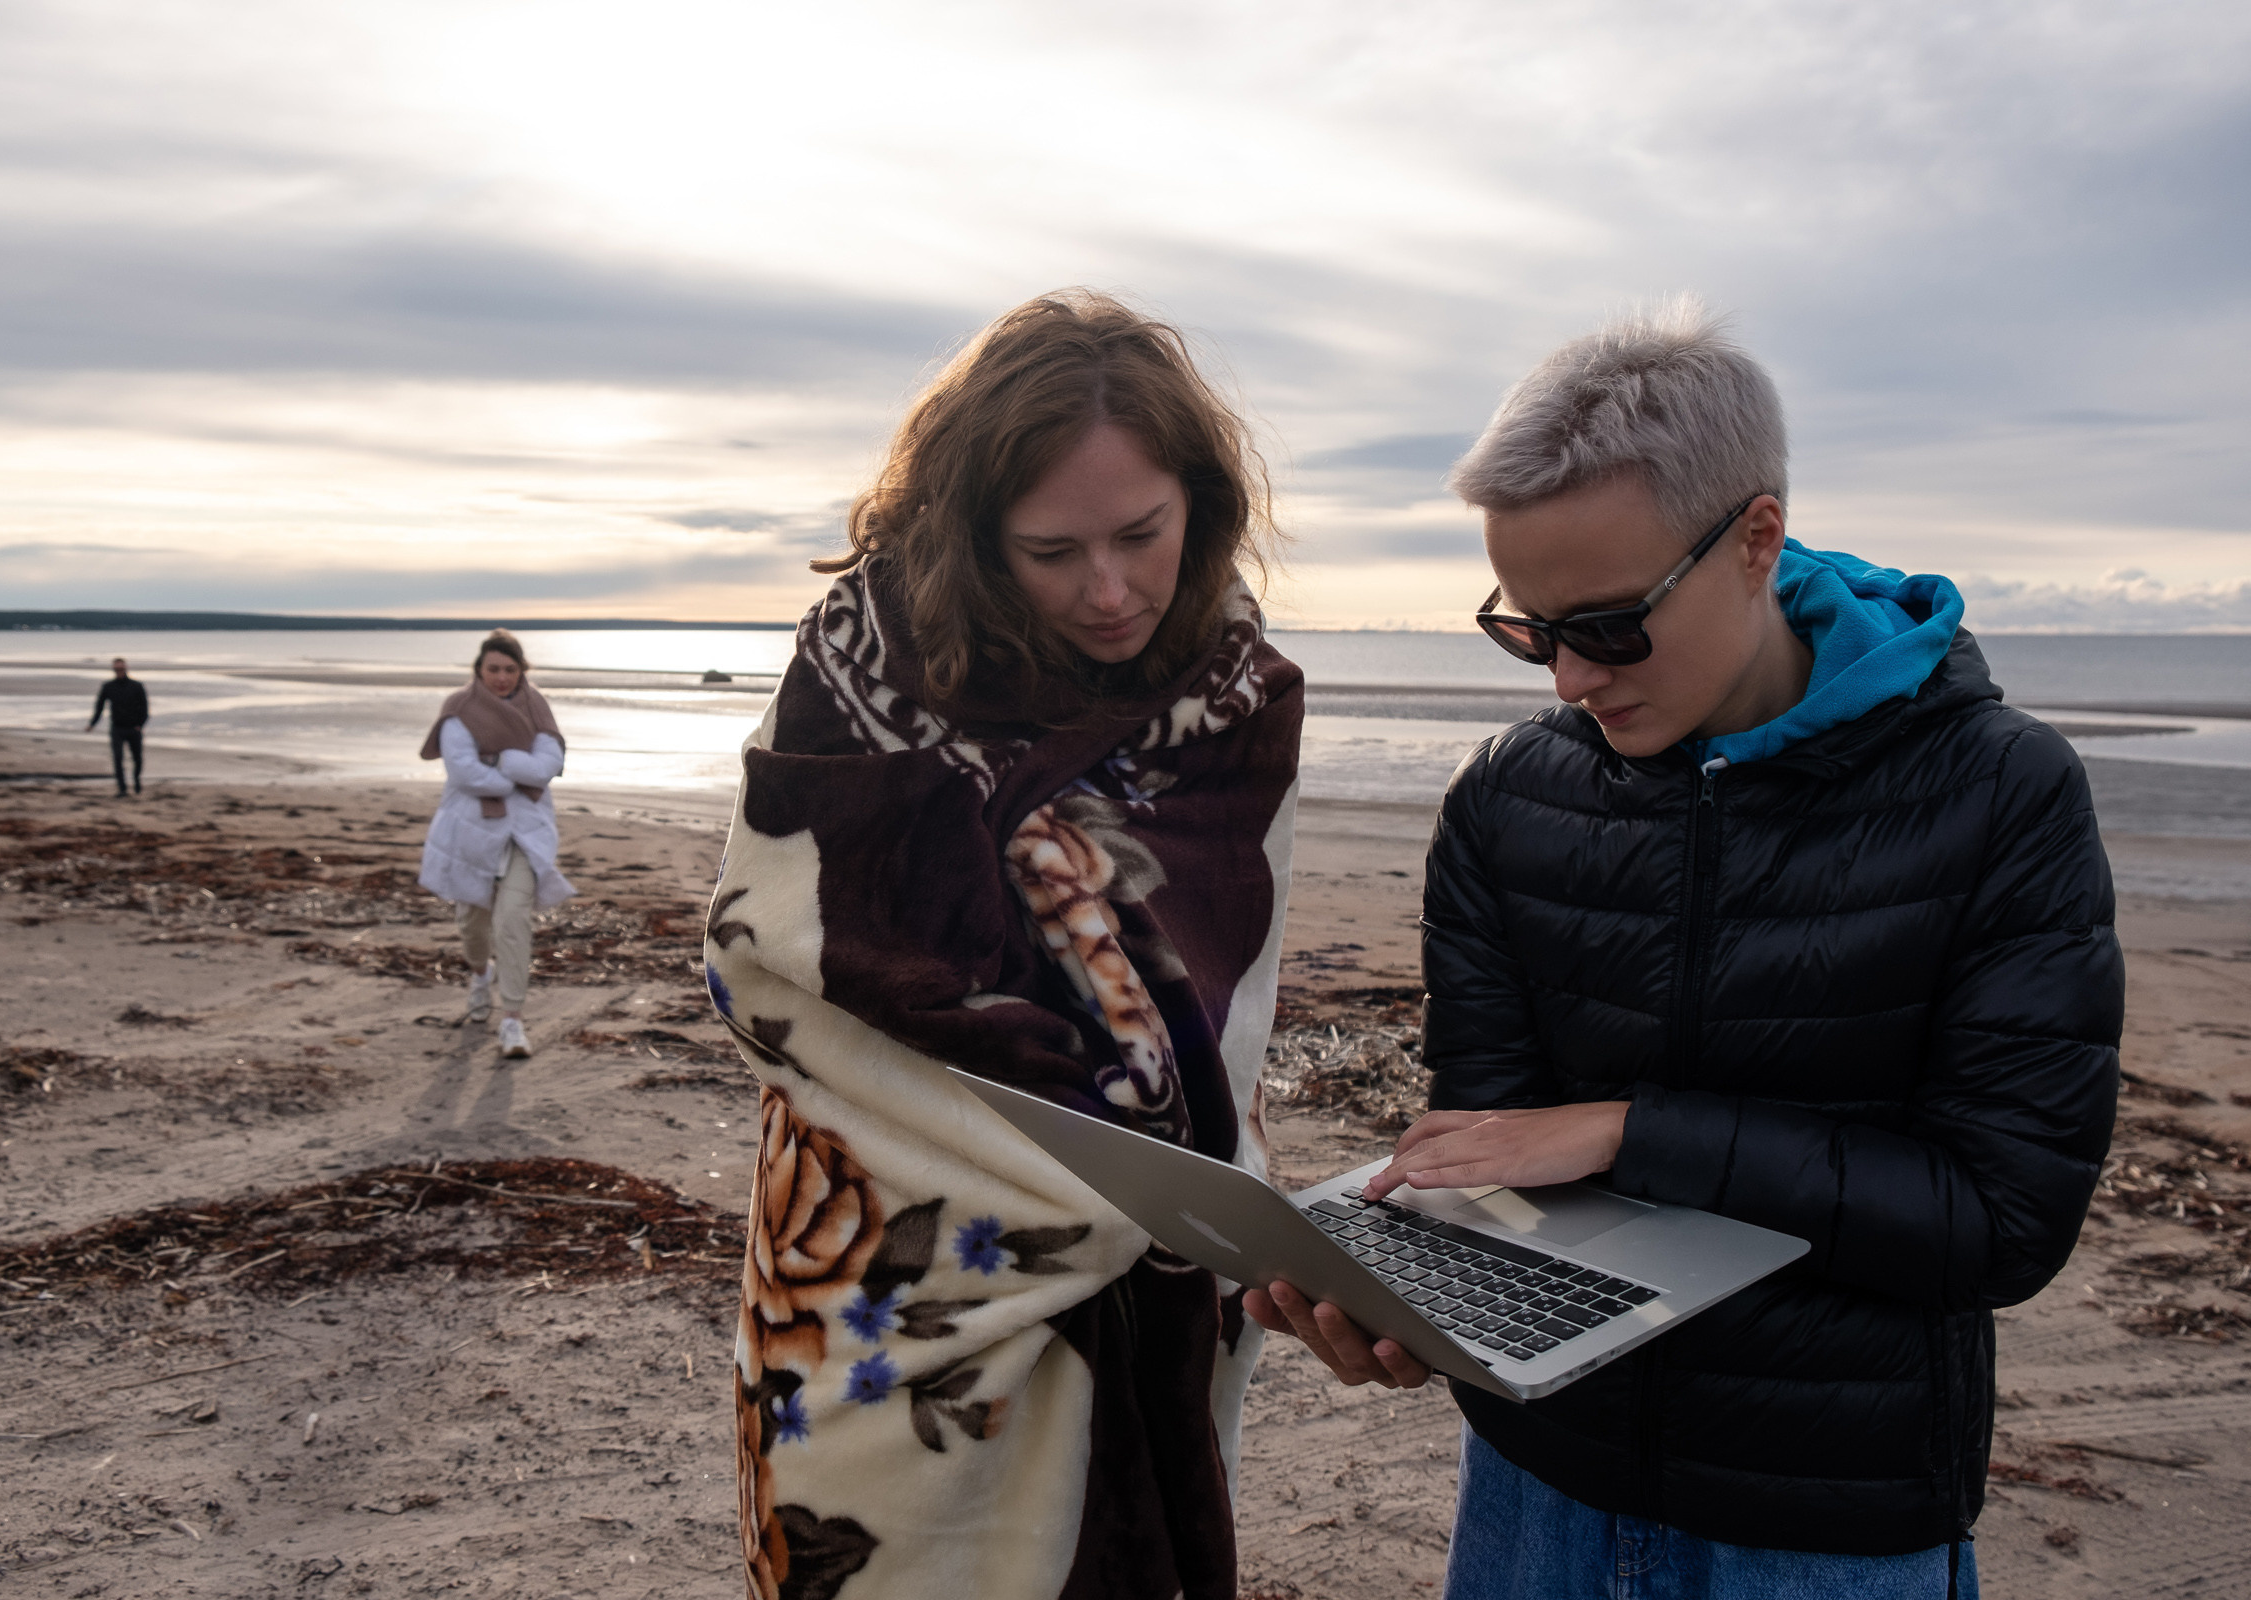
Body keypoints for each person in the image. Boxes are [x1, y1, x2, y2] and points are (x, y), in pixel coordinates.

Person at [1246, 302, 2121, 1599]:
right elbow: (1489, 1153)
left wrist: (1627, 1131)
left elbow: (2001, 1224)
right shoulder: (1503, 801)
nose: (1566, 683)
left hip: (1829, 1527)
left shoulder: (1998, 793)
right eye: (1527, 630)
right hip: (1535, 1491)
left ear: (1755, 539)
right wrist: (1412, 1298)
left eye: (1604, 625)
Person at [704, 291, 1301, 1600]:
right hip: (888, 1279)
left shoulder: (1239, 702)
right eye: (1052, 551)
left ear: (1200, 500)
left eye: (1143, 535)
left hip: (1167, 1276)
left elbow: (1228, 993)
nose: (1109, 588)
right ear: (976, 537)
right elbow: (777, 960)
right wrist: (1100, 1160)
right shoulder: (859, 675)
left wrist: (1183, 1173)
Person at [419, 629, 574, 1060]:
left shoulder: (536, 706)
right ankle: (478, 974)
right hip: (472, 831)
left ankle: (512, 1021)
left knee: (511, 922)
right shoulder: (459, 709)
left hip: (525, 832)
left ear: (522, 671)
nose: (502, 677)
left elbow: (549, 765)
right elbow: (464, 771)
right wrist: (517, 775)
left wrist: (500, 760)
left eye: (510, 669)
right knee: (472, 923)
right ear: (479, 671)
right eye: (494, 669)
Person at [86, 657, 149, 796]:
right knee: (117, 759)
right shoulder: (108, 687)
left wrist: (140, 724)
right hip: (117, 729)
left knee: (137, 759)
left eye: (121, 669)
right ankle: (122, 789)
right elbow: (99, 707)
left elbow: (144, 708)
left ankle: (136, 780)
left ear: (126, 669)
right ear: (113, 670)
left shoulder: (137, 686)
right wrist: (92, 724)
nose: (119, 671)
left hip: (134, 729)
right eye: (116, 669)